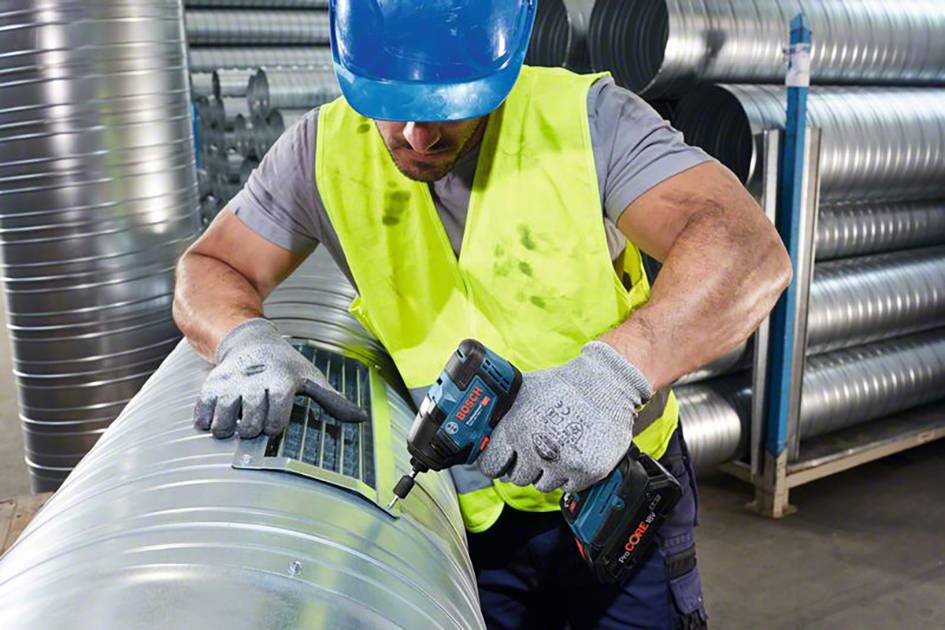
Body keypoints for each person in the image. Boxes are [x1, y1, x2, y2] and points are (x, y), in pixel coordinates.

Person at [173, 2, 791, 627]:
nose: (417, 136)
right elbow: (212, 266)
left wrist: (611, 376)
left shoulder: (588, 119)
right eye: (389, 101)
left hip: (616, 494)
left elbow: (747, 250)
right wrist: (244, 339)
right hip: (473, 525)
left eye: (447, 104)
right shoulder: (319, 151)